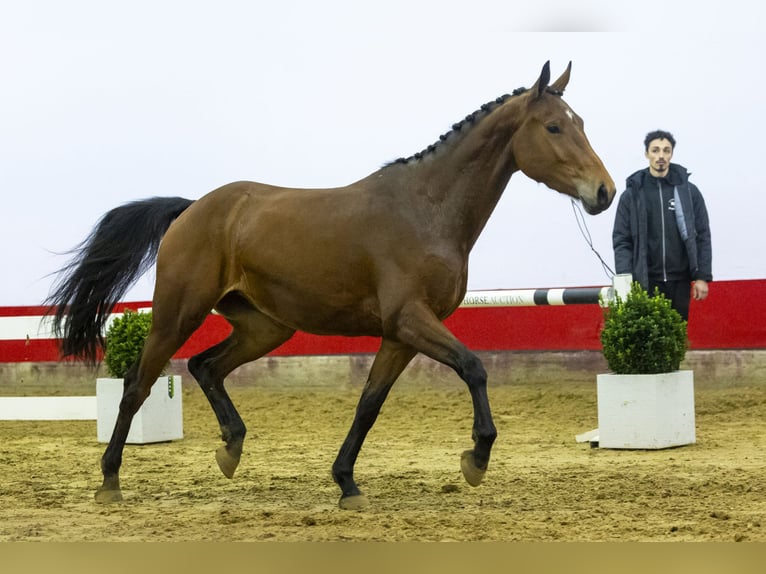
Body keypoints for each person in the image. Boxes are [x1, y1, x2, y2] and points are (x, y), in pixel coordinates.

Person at [612, 130, 712, 322]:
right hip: (645, 282)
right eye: (655, 150)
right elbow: (621, 239)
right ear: (646, 154)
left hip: (680, 282)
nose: (661, 156)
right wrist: (625, 279)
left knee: (676, 339)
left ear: (671, 154)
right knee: (648, 340)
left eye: (666, 151)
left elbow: (702, 236)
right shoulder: (632, 195)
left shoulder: (689, 192)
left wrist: (702, 277)